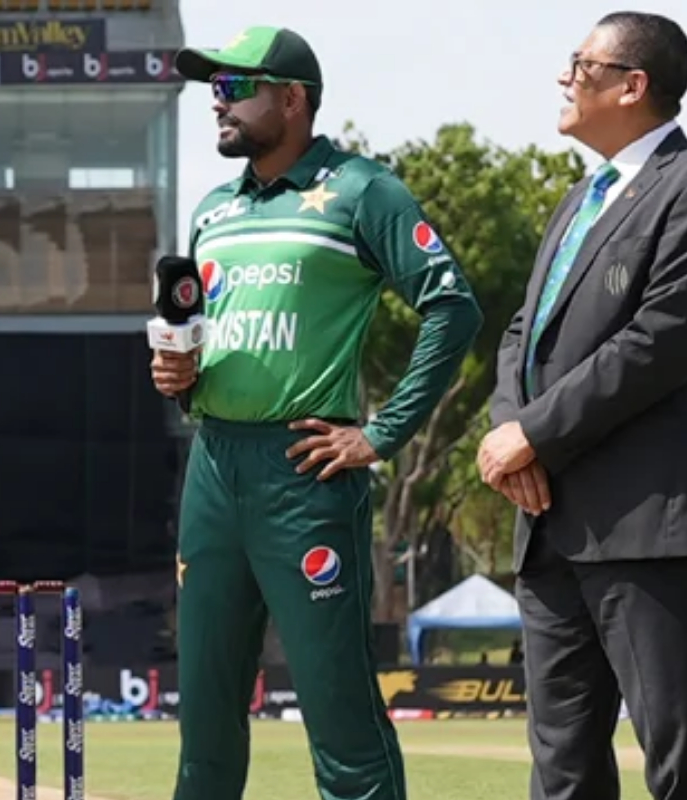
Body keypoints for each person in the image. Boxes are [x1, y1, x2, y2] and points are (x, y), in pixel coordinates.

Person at [153, 25, 483, 800]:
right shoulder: (214, 209)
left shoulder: (363, 190)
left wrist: (383, 432)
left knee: (338, 714)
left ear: (293, 99)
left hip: (304, 473)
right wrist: (178, 374)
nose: (218, 104)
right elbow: (207, 339)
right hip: (213, 466)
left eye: (236, 88)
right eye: (214, 89)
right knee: (202, 717)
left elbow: (453, 308)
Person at [476, 12, 687, 800]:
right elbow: (524, 331)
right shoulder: (581, 197)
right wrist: (509, 429)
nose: (564, 77)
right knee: (564, 768)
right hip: (548, 533)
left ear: (633, 84)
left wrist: (535, 435)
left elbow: (660, 342)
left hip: (646, 529)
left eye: (581, 64)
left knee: (684, 761)